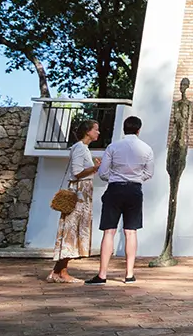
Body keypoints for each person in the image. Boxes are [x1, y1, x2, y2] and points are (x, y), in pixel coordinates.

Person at [87, 115, 154, 285]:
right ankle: (129, 274)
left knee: (109, 231)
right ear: (139, 130)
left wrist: (114, 177)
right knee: (131, 231)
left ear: (124, 129)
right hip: (134, 190)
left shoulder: (113, 147)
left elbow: (102, 173)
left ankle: (102, 275)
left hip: (115, 189)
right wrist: (136, 177)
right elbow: (149, 173)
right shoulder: (146, 148)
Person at [47, 120, 102, 283]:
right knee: (71, 230)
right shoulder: (79, 148)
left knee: (74, 230)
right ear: (88, 132)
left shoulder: (83, 148)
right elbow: (76, 172)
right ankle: (61, 272)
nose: (98, 132)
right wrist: (95, 168)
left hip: (84, 194)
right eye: (96, 130)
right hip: (79, 194)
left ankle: (58, 271)